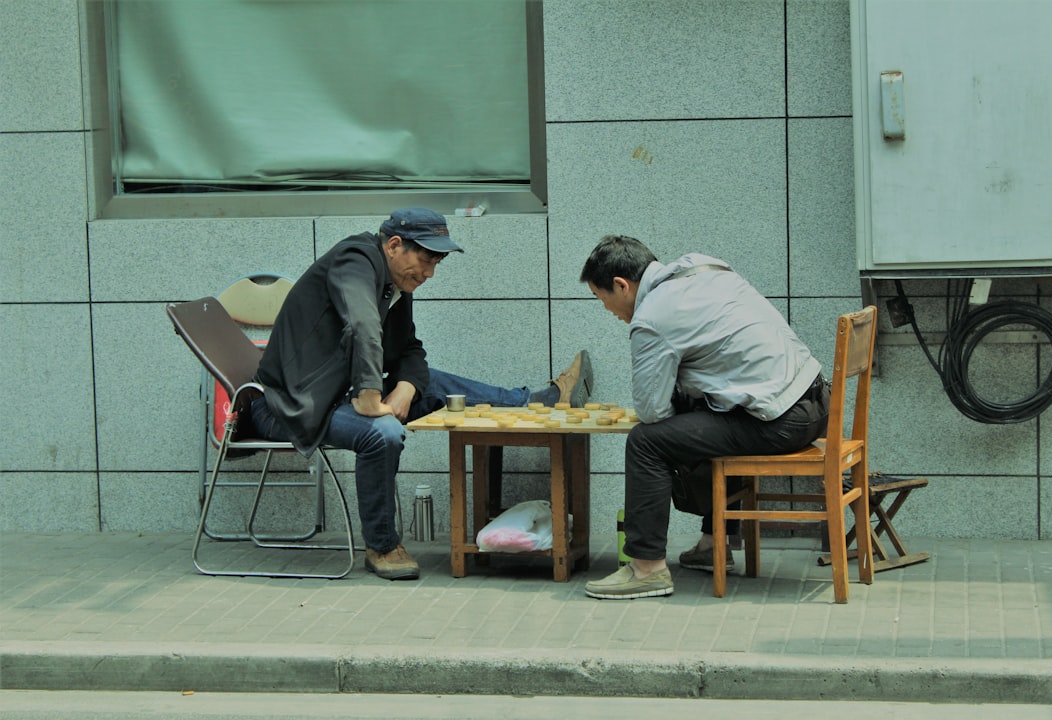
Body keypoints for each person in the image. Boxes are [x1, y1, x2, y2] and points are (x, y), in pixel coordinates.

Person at [250, 208, 593, 581]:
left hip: (338, 394)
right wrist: (370, 393)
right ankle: (381, 546)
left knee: (432, 384)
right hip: (291, 405)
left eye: (436, 264)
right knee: (381, 433)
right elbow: (362, 325)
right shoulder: (355, 260)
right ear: (394, 245)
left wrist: (406, 388)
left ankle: (534, 402)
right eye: (426, 260)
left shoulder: (396, 283)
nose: (429, 273)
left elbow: (410, 349)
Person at [577, 235, 829, 599]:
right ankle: (714, 545)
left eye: (604, 301)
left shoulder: (651, 317)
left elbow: (650, 411)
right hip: (816, 401)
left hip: (781, 420)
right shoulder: (704, 267)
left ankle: (646, 568)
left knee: (647, 442)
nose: (610, 312)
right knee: (701, 414)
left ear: (621, 285)